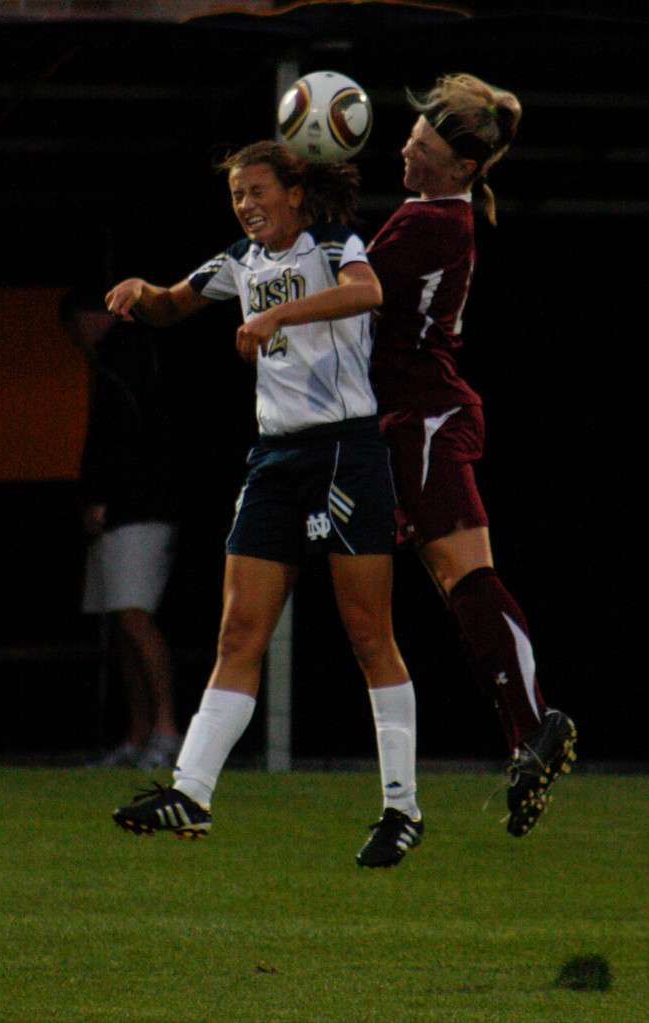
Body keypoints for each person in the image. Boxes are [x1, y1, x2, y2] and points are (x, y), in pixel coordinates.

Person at [108, 141, 423, 868]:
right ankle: (191, 789)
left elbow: (368, 292)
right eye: (236, 196)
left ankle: (401, 807)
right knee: (237, 632)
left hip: (345, 449)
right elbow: (173, 303)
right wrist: (142, 292)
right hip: (276, 458)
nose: (245, 205)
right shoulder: (238, 263)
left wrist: (281, 319)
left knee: (367, 634)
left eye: (256, 191)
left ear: (292, 192)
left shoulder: (333, 244)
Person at [365, 73, 577, 838]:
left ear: (460, 167)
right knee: (460, 586)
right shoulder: (430, 213)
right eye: (411, 136)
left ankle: (532, 724)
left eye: (420, 144)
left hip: (421, 417)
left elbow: (354, 293)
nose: (405, 149)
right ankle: (526, 729)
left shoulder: (430, 222)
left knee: (465, 579)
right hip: (418, 416)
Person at [62, 291, 183, 770]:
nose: (76, 343)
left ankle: (168, 732)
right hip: (121, 512)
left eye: (75, 330)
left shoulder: (127, 355)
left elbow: (121, 433)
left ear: (87, 320)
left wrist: (102, 496)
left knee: (133, 616)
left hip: (138, 509)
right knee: (120, 621)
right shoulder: (121, 358)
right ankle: (137, 737)